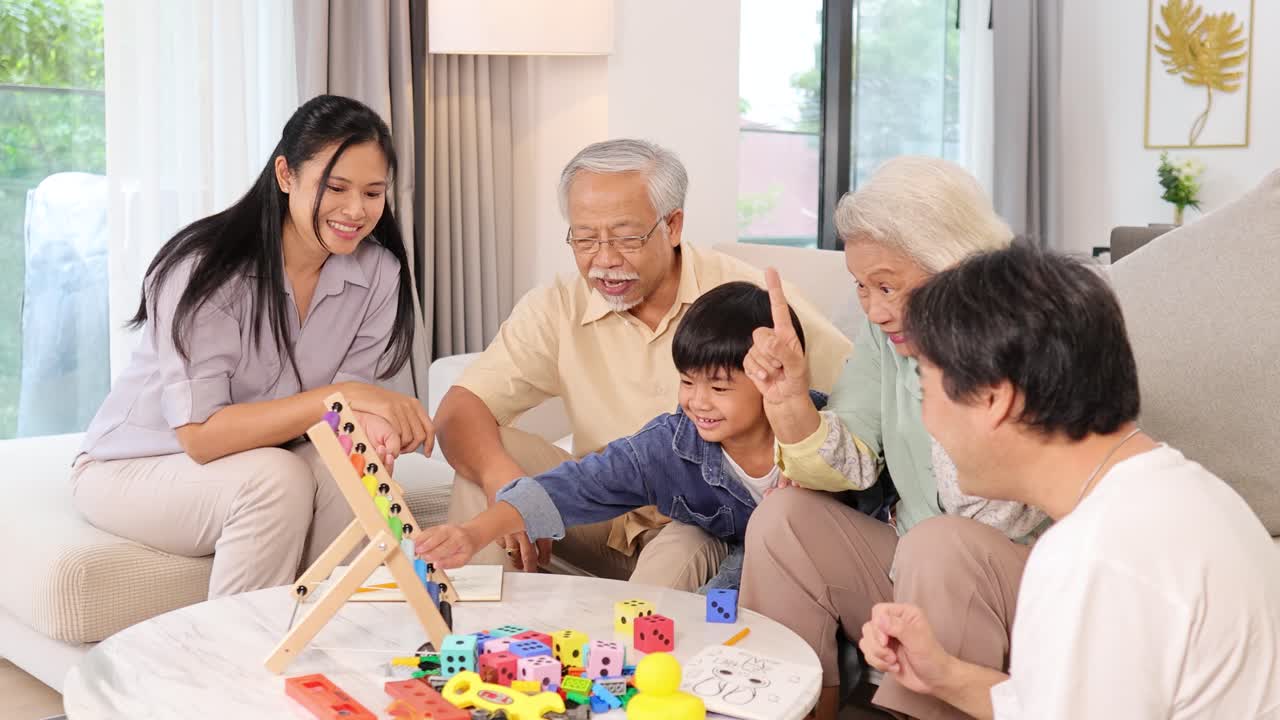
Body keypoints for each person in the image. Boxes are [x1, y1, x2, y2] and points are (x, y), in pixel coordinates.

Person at [859, 245, 1280, 718]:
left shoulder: (1092, 557)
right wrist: (944, 675)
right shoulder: (1192, 495)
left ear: (995, 400)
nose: (928, 422)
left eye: (926, 390)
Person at [436, 138, 852, 591]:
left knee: (676, 562)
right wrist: (503, 482)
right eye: (586, 239)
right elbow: (460, 408)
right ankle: (478, 641)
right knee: (488, 463)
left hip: (703, 521)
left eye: (626, 237)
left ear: (672, 226)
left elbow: (858, 401)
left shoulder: (747, 304)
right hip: (601, 507)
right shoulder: (557, 303)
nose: (605, 260)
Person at [73, 95, 435, 599]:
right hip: (135, 466)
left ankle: (309, 639)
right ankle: (231, 661)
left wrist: (373, 432)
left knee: (353, 474)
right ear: (285, 175)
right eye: (335, 187)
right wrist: (345, 396)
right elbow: (200, 437)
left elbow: (348, 408)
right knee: (275, 479)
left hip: (264, 456)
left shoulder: (379, 273)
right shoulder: (207, 271)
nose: (356, 210)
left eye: (373, 193)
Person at [738, 156, 1046, 720]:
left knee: (941, 541)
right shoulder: (888, 338)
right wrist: (787, 403)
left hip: (1022, 583)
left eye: (888, 286)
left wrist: (945, 359)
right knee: (784, 518)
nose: (875, 310)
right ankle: (790, 709)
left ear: (955, 266)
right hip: (915, 560)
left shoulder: (1030, 334)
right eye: (861, 286)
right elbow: (850, 463)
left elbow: (991, 515)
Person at [416, 280, 822, 583]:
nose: (698, 402)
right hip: (697, 542)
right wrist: (472, 534)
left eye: (718, 388)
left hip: (781, 578)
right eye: (687, 382)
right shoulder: (673, 443)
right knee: (657, 590)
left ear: (772, 378)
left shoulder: (821, 437)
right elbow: (573, 486)